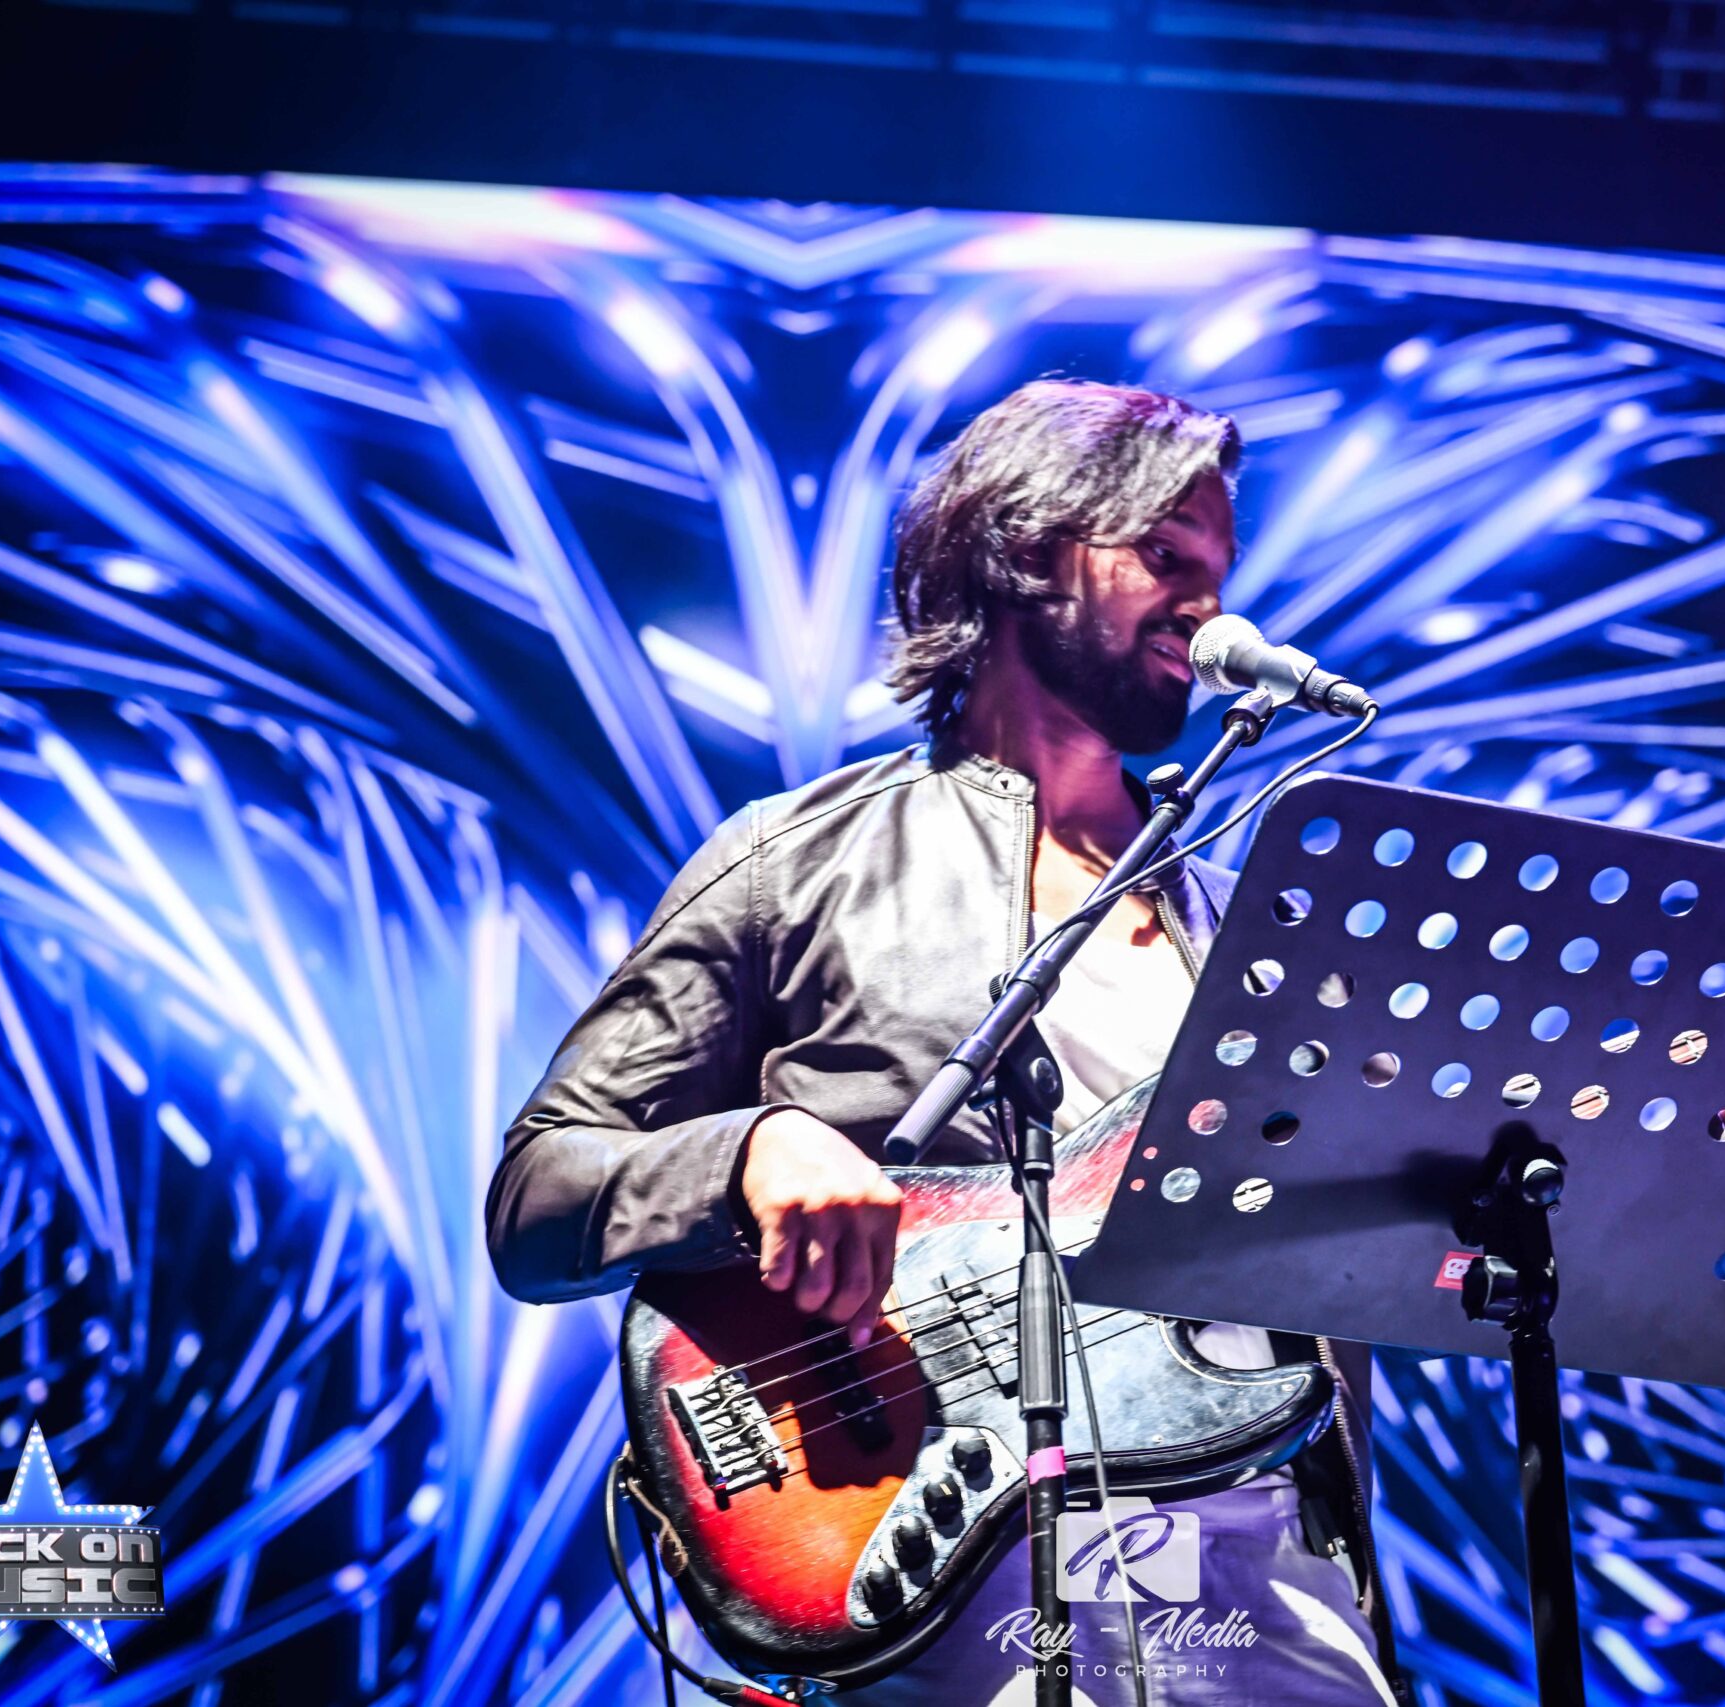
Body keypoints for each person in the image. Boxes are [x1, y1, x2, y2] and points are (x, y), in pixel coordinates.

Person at [488, 379, 1397, 1705]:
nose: (1210, 606)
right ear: (1025, 549)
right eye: (1163, 553)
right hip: (943, 1571)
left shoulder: (1256, 939)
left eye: (1217, 567)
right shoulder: (795, 860)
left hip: (1266, 1578)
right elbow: (536, 1195)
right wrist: (748, 1153)